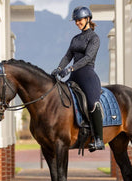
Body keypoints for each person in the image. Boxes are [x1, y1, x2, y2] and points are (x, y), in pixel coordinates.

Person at [51, 6, 104, 151]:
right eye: (75, 20)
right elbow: (68, 56)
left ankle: (99, 139)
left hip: (87, 75)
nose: (77, 23)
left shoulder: (94, 38)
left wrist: (70, 68)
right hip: (74, 76)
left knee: (93, 103)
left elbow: (88, 58)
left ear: (88, 19)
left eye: (79, 20)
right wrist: (60, 68)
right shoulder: (75, 39)